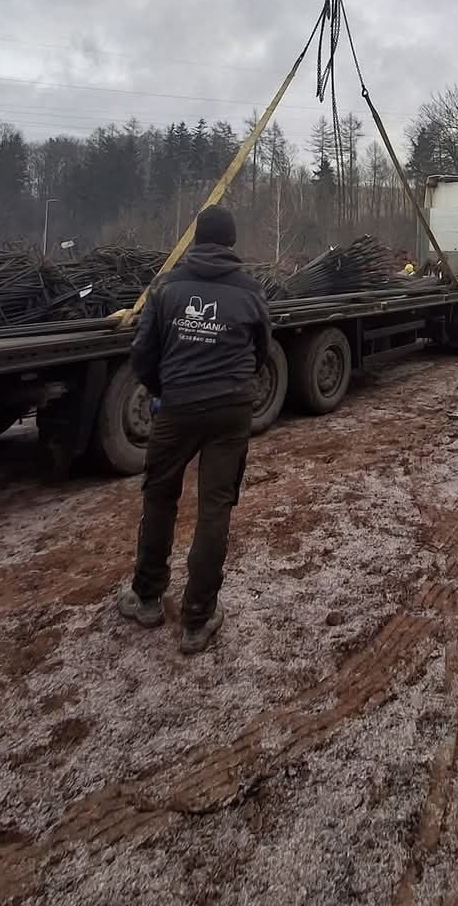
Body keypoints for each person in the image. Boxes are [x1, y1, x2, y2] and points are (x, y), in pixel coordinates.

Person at [116, 204, 271, 654]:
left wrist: (163, 388)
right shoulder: (249, 290)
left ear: (196, 239)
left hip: (177, 408)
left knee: (160, 496)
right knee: (215, 508)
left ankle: (146, 598)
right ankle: (197, 619)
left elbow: (142, 352)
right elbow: (263, 349)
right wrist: (238, 383)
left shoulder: (168, 289)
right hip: (230, 413)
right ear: (230, 242)